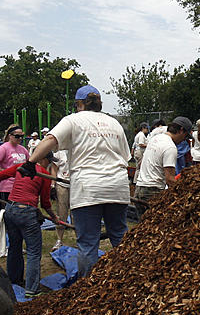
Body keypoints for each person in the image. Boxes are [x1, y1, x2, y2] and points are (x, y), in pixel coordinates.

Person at [26, 85, 130, 280]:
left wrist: (30, 162)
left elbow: (50, 139)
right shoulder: (114, 123)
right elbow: (125, 156)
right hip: (118, 187)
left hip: (88, 188)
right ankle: (127, 280)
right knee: (120, 236)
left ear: (79, 104)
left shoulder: (73, 120)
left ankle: (87, 289)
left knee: (88, 243)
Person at [0, 160, 54, 295]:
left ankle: (13, 280)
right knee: (33, 252)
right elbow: (46, 202)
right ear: (45, 160)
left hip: (11, 209)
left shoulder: (21, 167)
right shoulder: (44, 174)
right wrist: (54, 217)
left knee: (14, 245)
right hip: (27, 212)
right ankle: (32, 289)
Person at [133, 117, 191, 220]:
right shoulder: (170, 147)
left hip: (139, 189)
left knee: (143, 227)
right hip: (153, 192)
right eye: (185, 136)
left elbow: (142, 163)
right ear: (181, 130)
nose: (184, 140)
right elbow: (170, 179)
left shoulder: (155, 138)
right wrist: (184, 195)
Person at [0, 124, 30, 209]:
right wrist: (5, 173)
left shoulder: (23, 149)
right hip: (7, 187)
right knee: (6, 215)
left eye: (22, 136)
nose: (20, 138)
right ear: (10, 136)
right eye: (17, 136)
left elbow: (30, 164)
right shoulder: (4, 148)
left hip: (21, 187)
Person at [50, 147, 71, 250]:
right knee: (61, 213)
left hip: (76, 184)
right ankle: (59, 240)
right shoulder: (59, 153)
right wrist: (53, 185)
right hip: (62, 184)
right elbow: (54, 168)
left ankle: (80, 239)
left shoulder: (78, 149)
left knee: (77, 213)